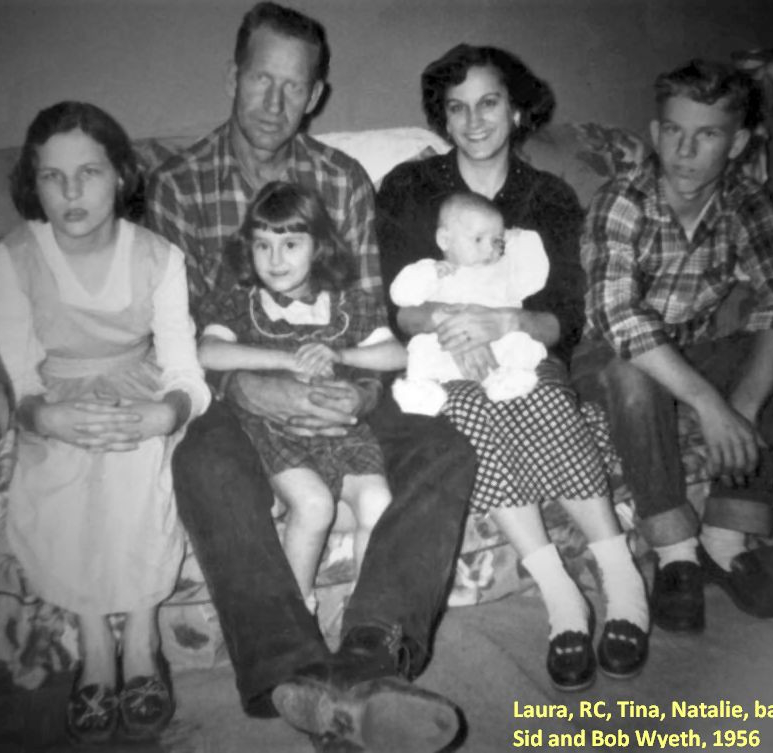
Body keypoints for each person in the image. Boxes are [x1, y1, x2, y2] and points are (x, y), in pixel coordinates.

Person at [145, 4, 472, 750]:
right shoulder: (177, 186)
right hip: (239, 389)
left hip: (341, 382)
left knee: (443, 449)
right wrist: (250, 387)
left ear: (316, 95)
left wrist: (352, 392)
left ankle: (367, 654)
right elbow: (179, 336)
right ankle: (288, 665)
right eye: (261, 80)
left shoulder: (343, 180)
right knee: (201, 459)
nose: (274, 102)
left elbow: (365, 318)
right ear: (233, 76)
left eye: (293, 87)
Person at [377, 44, 650, 693]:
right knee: (470, 418)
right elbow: (393, 303)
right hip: (444, 358)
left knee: (547, 402)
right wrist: (455, 323)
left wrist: (501, 324)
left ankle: (620, 575)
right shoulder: (409, 189)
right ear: (441, 118)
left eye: (489, 102)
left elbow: (566, 316)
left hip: (524, 350)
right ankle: (561, 595)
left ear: (518, 109)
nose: (474, 121)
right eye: (456, 107)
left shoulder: (548, 197)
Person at [0, 101, 211, 744]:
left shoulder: (159, 257)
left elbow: (185, 374)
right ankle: (94, 645)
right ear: (34, 183)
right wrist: (47, 417)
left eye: (87, 172)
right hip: (58, 395)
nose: (70, 192)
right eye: (52, 177)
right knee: (62, 469)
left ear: (120, 175)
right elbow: (21, 378)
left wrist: (161, 415)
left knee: (138, 462)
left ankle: (141, 641)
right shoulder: (13, 258)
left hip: (139, 386)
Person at [572, 59, 773, 634]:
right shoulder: (623, 199)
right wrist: (712, 405)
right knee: (632, 371)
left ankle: (724, 537)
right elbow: (617, 317)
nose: (685, 152)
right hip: (603, 359)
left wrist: (743, 409)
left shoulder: (747, 203)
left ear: (736, 144)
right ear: (656, 134)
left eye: (706, 135)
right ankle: (677, 554)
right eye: (674, 133)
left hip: (688, 352)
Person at [198, 180, 406, 612]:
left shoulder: (350, 304)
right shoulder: (241, 303)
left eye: (290, 244)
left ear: (319, 248)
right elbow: (209, 351)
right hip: (277, 432)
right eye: (262, 246)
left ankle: (364, 615)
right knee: (313, 505)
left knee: (379, 501)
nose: (275, 259)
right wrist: (285, 359)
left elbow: (396, 353)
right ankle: (295, 613)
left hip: (345, 434)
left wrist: (340, 351)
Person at [390, 191, 548, 414]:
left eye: (496, 241)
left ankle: (510, 380)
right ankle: (422, 390)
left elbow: (534, 280)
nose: (488, 249)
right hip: (447, 348)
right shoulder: (436, 270)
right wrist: (429, 273)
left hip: (498, 349)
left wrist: (523, 240)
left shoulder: (504, 271)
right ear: (445, 240)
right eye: (478, 239)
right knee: (421, 348)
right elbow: (401, 295)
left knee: (524, 343)